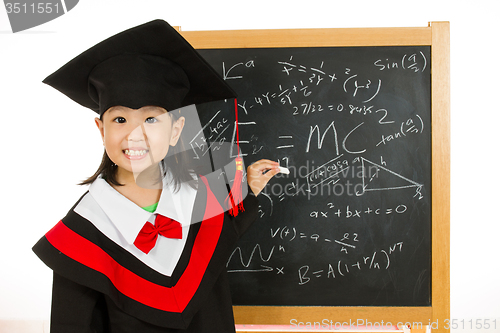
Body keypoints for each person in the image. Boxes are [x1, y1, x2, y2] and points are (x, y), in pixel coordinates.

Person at [33, 19, 279, 332]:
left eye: (151, 119)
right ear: (101, 129)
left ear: (176, 130)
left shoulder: (201, 200)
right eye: (120, 119)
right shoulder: (83, 231)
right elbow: (74, 323)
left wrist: (249, 186)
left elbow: (226, 226)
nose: (135, 135)